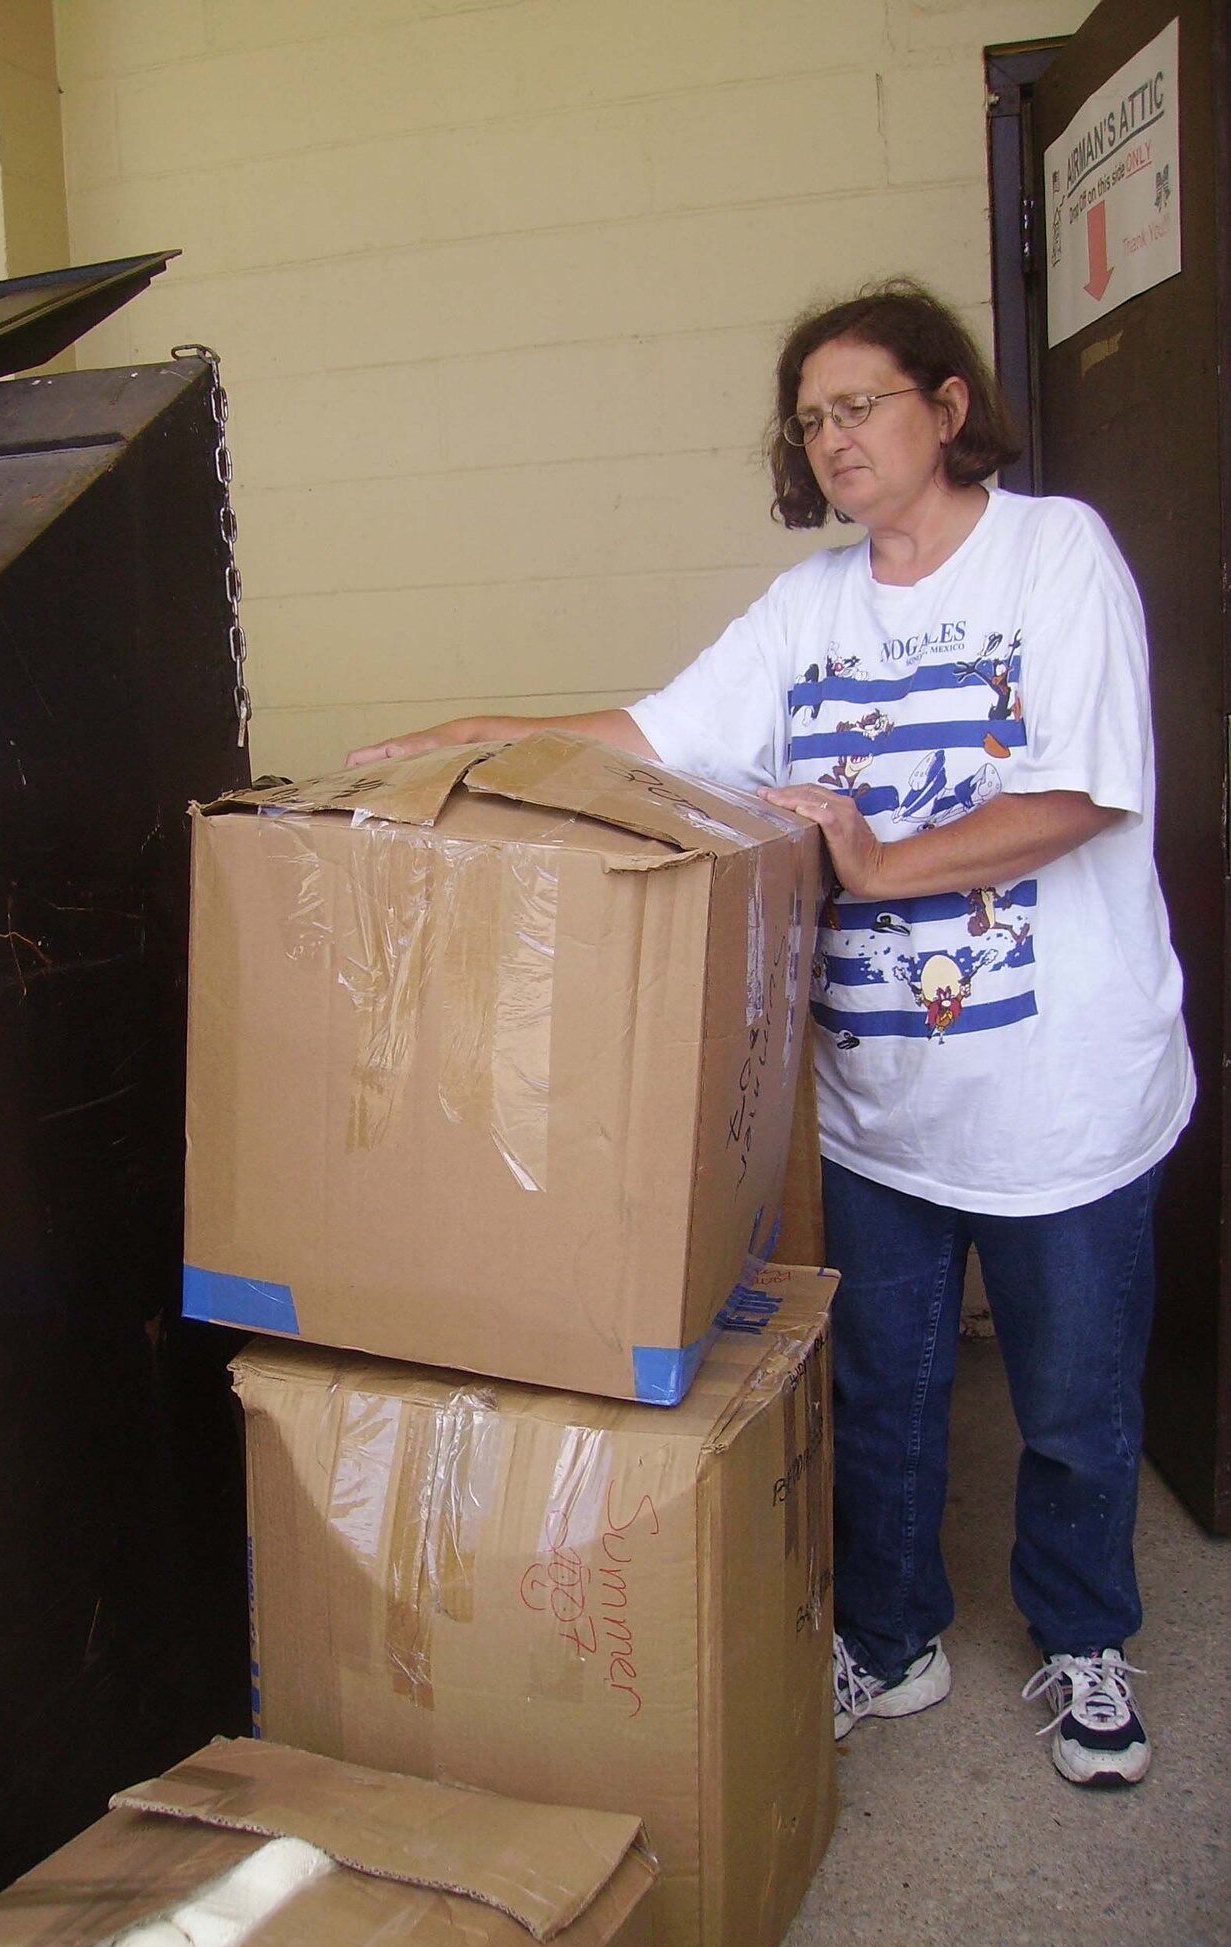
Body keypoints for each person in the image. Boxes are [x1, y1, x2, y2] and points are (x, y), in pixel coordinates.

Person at [345, 277, 1195, 1787]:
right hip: (879, 1102)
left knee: (1073, 1404)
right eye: (810, 420)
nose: (832, 437)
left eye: (860, 402)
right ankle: (894, 1634)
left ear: (946, 405)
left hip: (1062, 1098)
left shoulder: (1056, 555)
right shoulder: (809, 610)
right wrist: (477, 731)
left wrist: (870, 859)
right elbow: (658, 736)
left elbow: (1079, 795)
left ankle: (1085, 1641)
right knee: (883, 1393)